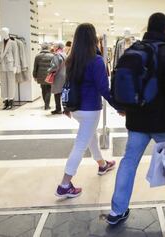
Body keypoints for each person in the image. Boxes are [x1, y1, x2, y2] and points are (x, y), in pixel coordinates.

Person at [107, 13, 165, 225]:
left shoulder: (135, 49)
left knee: (129, 161)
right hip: (163, 122)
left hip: (137, 120)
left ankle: (117, 211)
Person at [55, 23, 117, 198]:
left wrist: (66, 106)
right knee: (80, 145)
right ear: (92, 39)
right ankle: (64, 185)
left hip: (75, 109)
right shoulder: (96, 61)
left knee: (91, 137)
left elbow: (67, 84)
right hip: (90, 109)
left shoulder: (70, 58)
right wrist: (119, 107)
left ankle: (102, 164)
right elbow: (104, 89)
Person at [33, 44, 54, 110]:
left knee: (43, 89)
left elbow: (35, 67)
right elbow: (53, 66)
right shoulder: (52, 56)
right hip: (49, 75)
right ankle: (47, 105)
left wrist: (34, 75)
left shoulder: (37, 56)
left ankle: (46, 104)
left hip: (40, 75)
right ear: (48, 48)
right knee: (48, 90)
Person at [48, 42, 66, 115]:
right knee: (64, 93)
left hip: (58, 76)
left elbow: (54, 66)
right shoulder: (64, 54)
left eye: (54, 46)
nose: (53, 47)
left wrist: (49, 70)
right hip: (65, 75)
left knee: (57, 93)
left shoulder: (56, 55)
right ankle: (65, 109)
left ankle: (58, 109)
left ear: (58, 47)